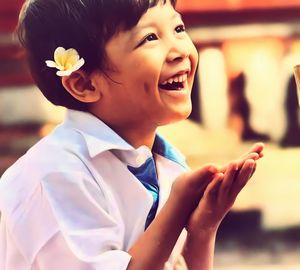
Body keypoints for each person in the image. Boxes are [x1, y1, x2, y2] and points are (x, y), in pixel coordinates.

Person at [0, 0, 264, 269]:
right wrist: (176, 208)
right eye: (150, 37)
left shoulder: (164, 163)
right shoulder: (54, 176)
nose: (179, 51)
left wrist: (203, 227)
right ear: (84, 83)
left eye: (178, 28)